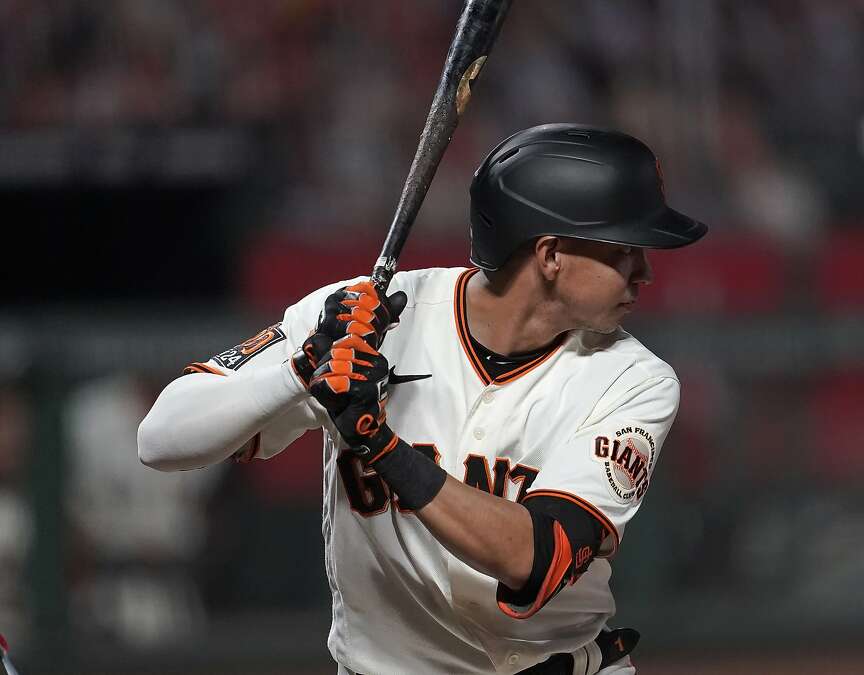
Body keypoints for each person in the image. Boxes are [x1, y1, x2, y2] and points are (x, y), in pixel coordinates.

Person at [138, 123, 707, 674]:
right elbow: (161, 440)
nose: (646, 271)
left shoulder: (635, 380)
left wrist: (379, 445)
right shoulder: (363, 316)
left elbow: (532, 560)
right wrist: (301, 371)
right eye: (626, 249)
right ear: (551, 255)